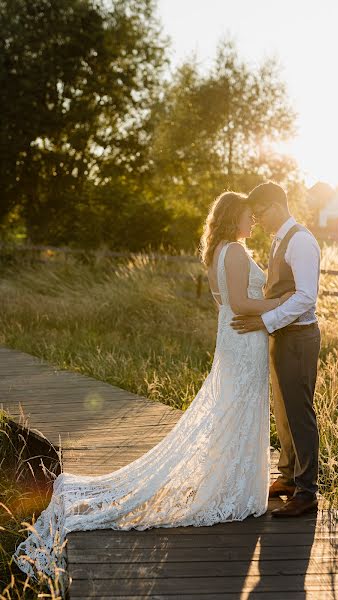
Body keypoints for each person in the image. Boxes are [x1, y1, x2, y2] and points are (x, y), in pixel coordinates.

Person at [12, 191, 292, 593]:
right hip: (243, 341)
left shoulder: (223, 250)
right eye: (249, 215)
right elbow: (239, 303)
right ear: (234, 217)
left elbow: (225, 305)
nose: (253, 223)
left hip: (239, 340)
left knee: (235, 411)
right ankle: (233, 490)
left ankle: (234, 483)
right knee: (236, 410)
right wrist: (280, 300)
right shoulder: (232, 250)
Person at [231, 181, 321, 518]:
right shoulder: (280, 239)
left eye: (260, 213)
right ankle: (287, 476)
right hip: (284, 336)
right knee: (283, 411)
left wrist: (266, 321)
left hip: (299, 336)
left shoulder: (300, 240)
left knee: (300, 413)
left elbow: (305, 296)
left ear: (275, 205)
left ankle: (307, 491)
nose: (258, 221)